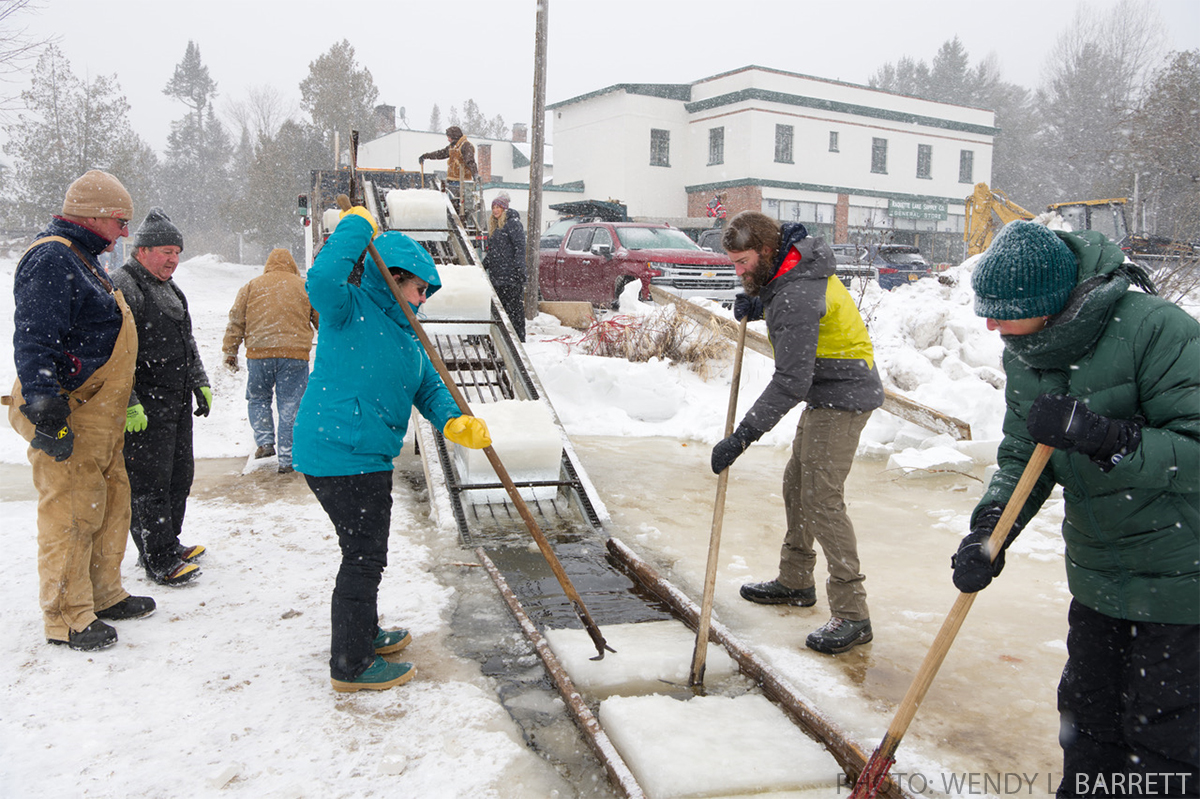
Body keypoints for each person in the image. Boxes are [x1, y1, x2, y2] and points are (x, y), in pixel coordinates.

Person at [950, 220, 1198, 795]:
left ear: (1050, 303)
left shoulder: (1157, 330)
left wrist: (1109, 437)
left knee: (1166, 751)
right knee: (1086, 731)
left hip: (1182, 584)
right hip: (1098, 580)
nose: (990, 325)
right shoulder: (1027, 348)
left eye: (1002, 311)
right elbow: (1021, 455)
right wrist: (991, 530)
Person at [293, 205, 492, 693]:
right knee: (363, 555)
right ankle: (352, 665)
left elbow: (429, 390)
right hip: (341, 454)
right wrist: (356, 229)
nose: (422, 300)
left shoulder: (409, 339)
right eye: (419, 288)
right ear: (393, 277)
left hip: (365, 457)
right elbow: (319, 281)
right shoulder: (349, 309)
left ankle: (362, 633)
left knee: (364, 551)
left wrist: (457, 422)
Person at [711, 210, 884, 655]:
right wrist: (761, 299)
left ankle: (852, 613)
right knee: (797, 486)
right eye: (733, 262)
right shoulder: (789, 273)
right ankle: (795, 581)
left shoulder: (795, 296)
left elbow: (791, 380)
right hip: (829, 387)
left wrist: (742, 436)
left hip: (843, 392)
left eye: (743, 261)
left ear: (768, 251)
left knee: (822, 500)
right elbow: (786, 298)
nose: (738, 271)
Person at [7, 170, 155, 651]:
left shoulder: (84, 259)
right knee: (73, 513)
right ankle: (68, 616)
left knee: (110, 505)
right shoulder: (52, 257)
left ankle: (103, 594)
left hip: (103, 416)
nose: (125, 234)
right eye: (120, 221)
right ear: (93, 216)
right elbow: (35, 335)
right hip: (72, 411)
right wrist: (46, 405)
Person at [111, 208, 211, 587]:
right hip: (146, 406)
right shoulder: (124, 286)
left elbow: (187, 341)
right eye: (166, 250)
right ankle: (157, 558)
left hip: (175, 401)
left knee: (178, 476)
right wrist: (130, 399)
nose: (173, 259)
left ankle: (170, 543)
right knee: (149, 483)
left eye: (177, 252)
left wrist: (198, 381)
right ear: (142, 251)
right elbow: (114, 352)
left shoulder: (170, 288)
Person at [222, 247, 318, 473]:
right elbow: (320, 318)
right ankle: (287, 458)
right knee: (290, 404)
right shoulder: (304, 286)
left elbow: (236, 320)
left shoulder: (251, 286)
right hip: (294, 355)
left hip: (259, 353)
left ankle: (265, 441)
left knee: (258, 397)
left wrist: (230, 351)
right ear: (292, 265)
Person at [482, 192, 527, 341]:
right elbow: (494, 251)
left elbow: (520, 247)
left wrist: (519, 268)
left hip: (510, 276)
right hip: (497, 277)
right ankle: (505, 338)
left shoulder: (513, 223)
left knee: (514, 310)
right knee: (501, 310)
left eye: (498, 207)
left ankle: (519, 339)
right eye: (493, 207)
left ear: (505, 209)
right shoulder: (496, 227)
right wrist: (484, 265)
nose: (495, 210)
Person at [419, 125, 480, 217]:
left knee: (460, 206)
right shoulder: (453, 147)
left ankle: (462, 217)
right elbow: (440, 154)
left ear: (454, 136)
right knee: (451, 205)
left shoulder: (466, 146)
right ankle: (454, 216)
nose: (448, 140)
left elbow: (470, 161)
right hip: (452, 181)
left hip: (463, 182)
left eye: (449, 137)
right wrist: (426, 156)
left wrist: (475, 174)